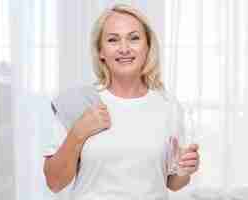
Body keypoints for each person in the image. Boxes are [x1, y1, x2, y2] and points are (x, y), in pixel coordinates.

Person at [43, 4, 200, 200]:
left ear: (148, 46)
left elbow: (172, 182)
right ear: (101, 51)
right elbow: (54, 182)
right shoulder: (78, 102)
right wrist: (78, 133)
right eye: (112, 40)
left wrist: (185, 170)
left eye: (134, 38)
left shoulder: (168, 106)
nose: (124, 49)